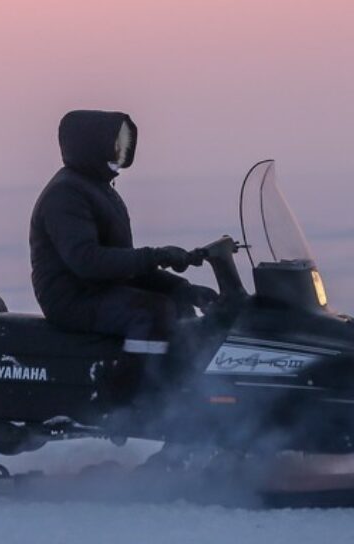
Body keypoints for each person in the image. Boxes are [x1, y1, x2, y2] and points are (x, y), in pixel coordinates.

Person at [29, 110, 216, 365]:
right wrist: (156, 255)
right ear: (93, 145)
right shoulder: (65, 194)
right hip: (71, 297)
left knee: (177, 294)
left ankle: (191, 374)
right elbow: (87, 261)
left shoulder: (98, 188)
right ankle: (135, 397)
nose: (122, 150)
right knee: (152, 312)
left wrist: (183, 287)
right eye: (116, 143)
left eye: (124, 144)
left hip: (97, 287)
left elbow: (120, 261)